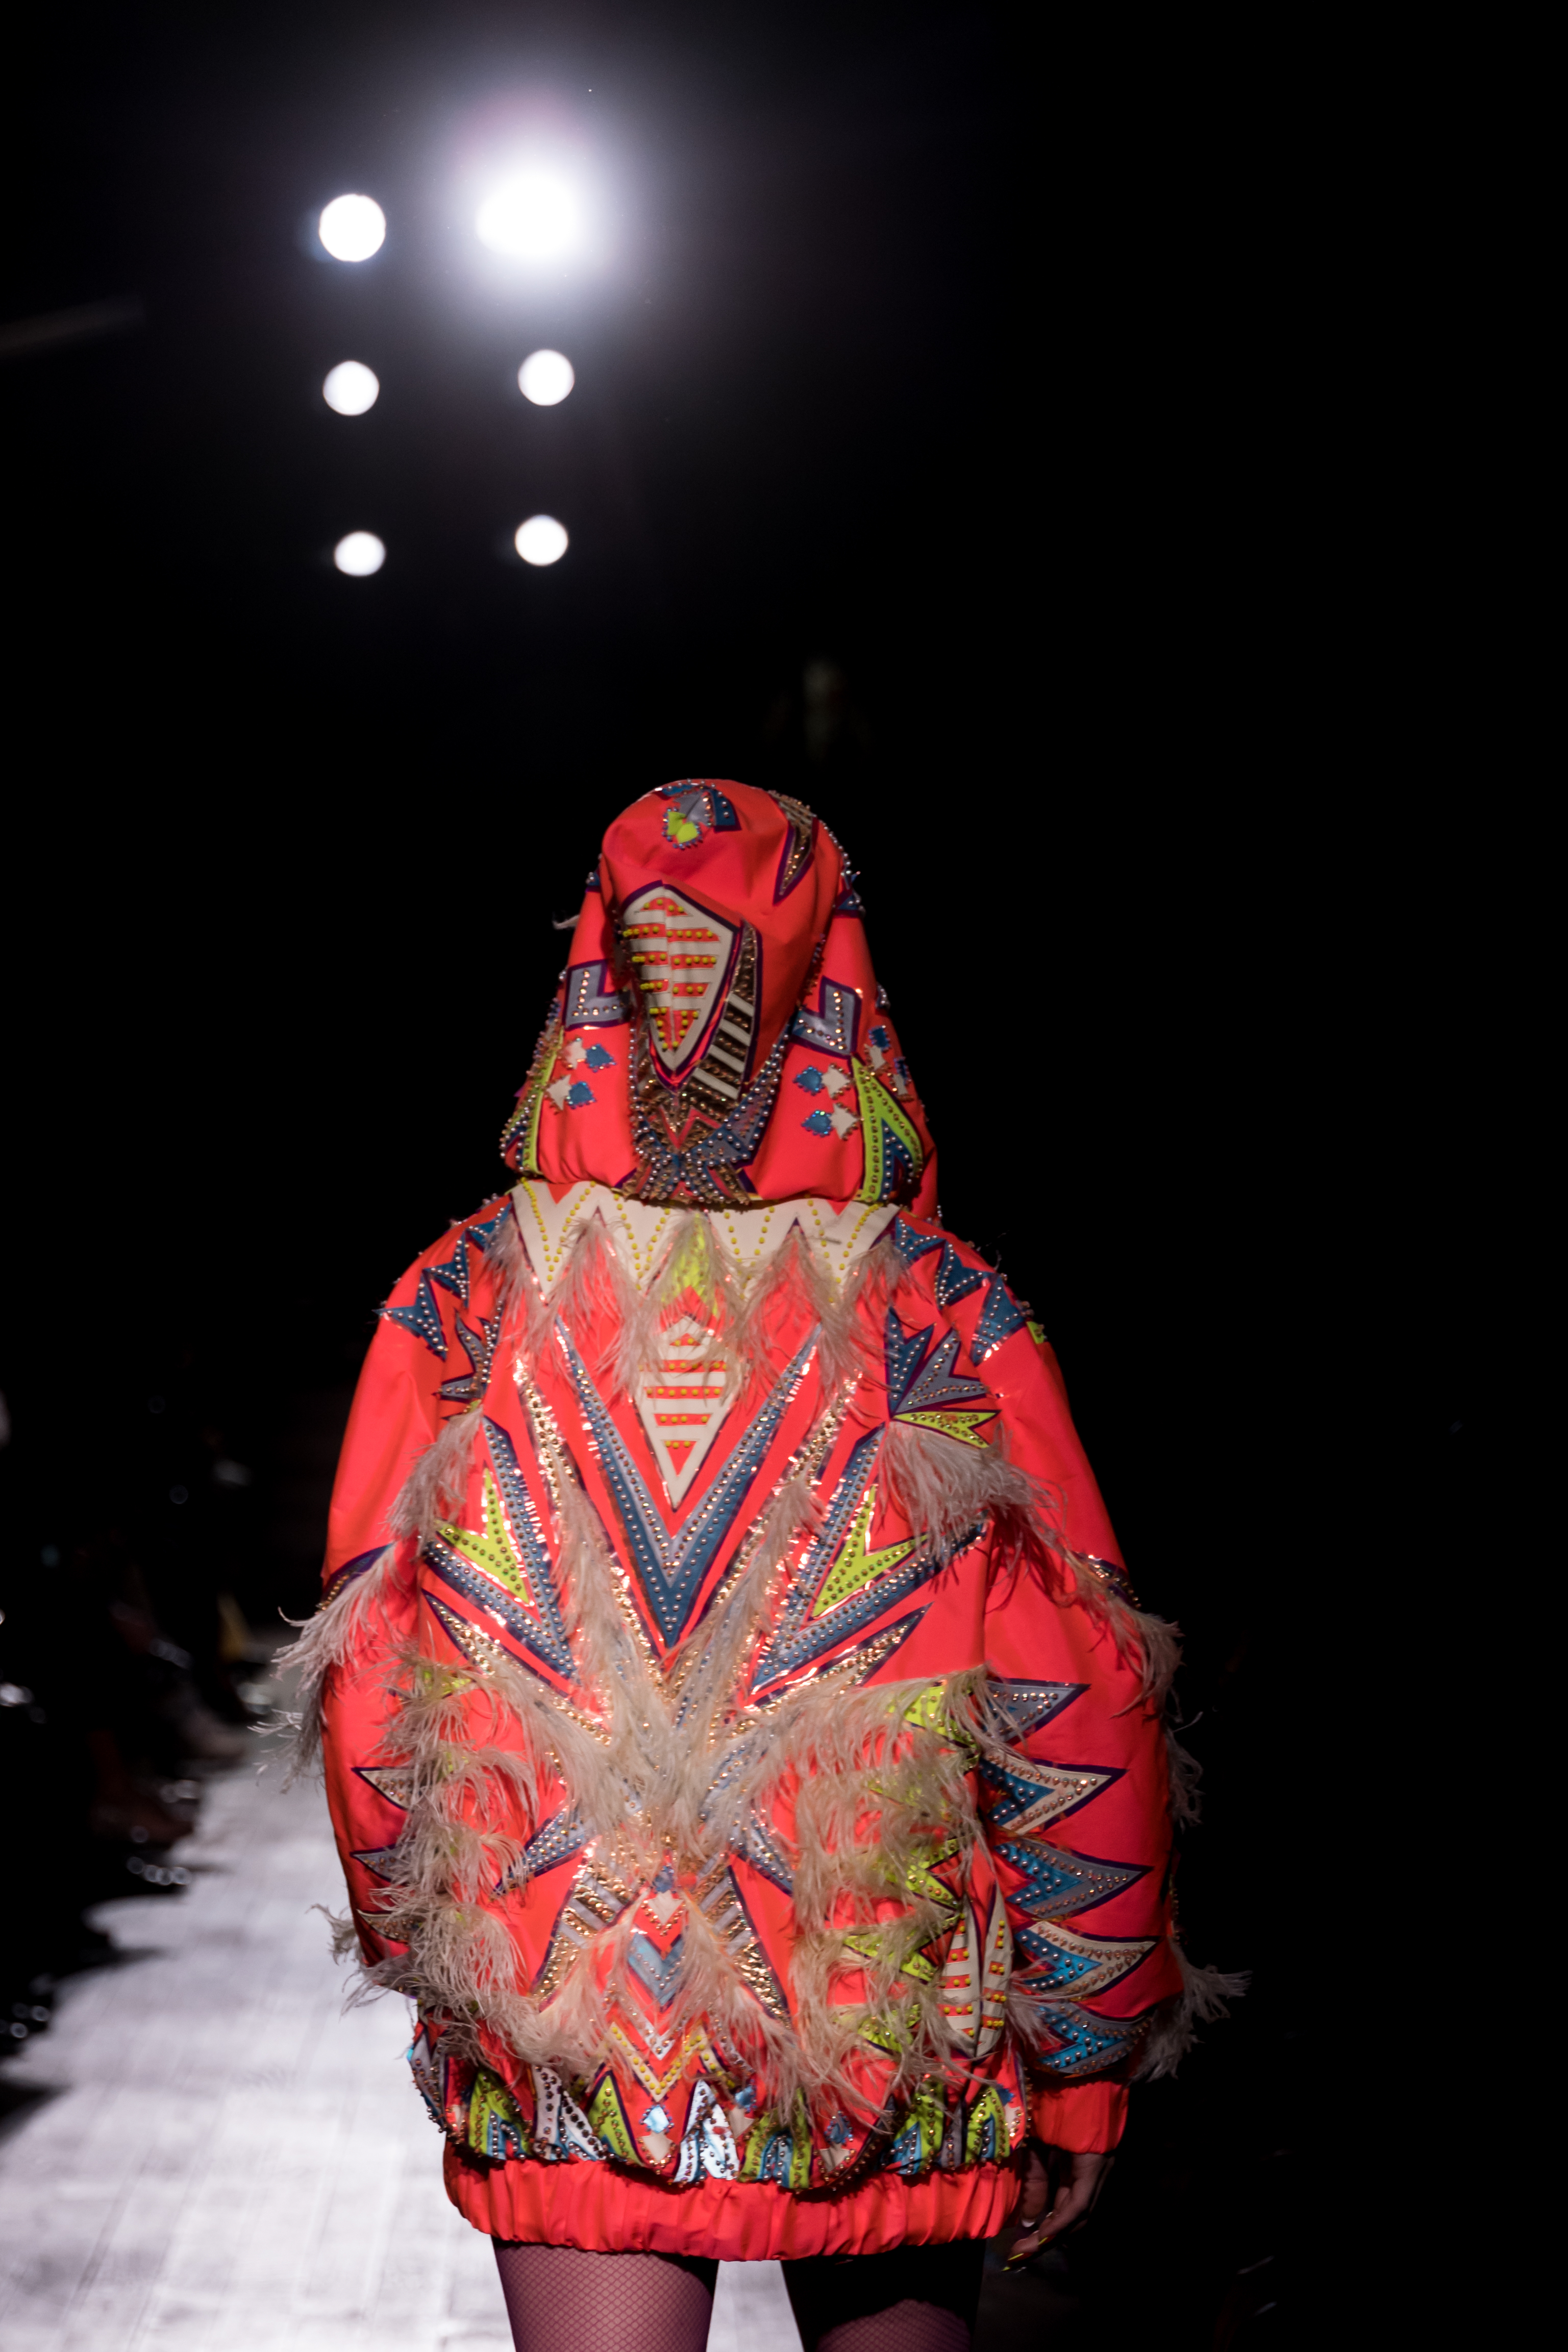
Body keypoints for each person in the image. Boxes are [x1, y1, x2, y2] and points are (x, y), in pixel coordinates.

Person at [291, 781, 1229, 2351]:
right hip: (884, 2005)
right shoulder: (943, 1319)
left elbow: (370, 1678)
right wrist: (1084, 2048)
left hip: (567, 2019)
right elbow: (1076, 1689)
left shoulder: (463, 1306)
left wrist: (436, 1956)